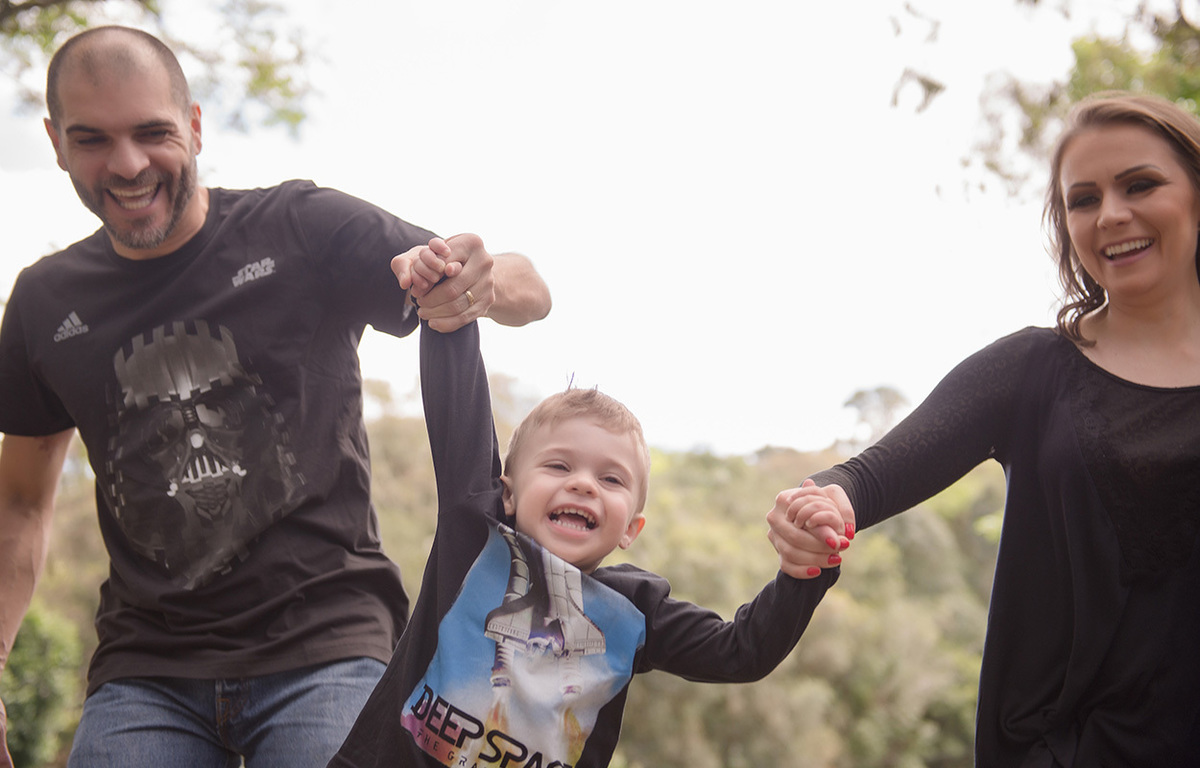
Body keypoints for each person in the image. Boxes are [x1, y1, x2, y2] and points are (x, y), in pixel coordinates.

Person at [0, 25, 551, 768]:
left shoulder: (299, 227)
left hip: (327, 647)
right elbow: (20, 506)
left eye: (152, 132)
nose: (127, 164)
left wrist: (482, 281)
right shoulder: (43, 302)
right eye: (92, 139)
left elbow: (526, 288)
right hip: (146, 673)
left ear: (194, 126)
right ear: (55, 142)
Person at [768, 90, 1200, 766]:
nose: (1112, 214)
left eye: (1140, 184)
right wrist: (816, 507)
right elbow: (866, 476)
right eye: (1082, 200)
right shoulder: (1034, 369)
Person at [327, 237, 845, 768]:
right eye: (558, 466)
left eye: (612, 479)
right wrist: (446, 296)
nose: (584, 485)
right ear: (507, 491)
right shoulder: (475, 532)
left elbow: (743, 652)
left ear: (631, 528)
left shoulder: (634, 613)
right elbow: (459, 402)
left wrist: (802, 572)